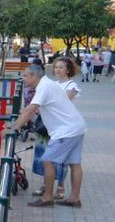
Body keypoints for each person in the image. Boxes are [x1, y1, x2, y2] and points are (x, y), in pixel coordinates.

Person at [13, 61, 86, 208]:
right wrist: (15, 123)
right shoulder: (47, 84)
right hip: (76, 127)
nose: (24, 79)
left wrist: (14, 129)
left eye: (26, 76)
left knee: (47, 161)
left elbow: (31, 110)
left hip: (66, 131)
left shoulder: (44, 87)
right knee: (74, 163)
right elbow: (30, 109)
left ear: (34, 76)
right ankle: (74, 199)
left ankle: (47, 198)